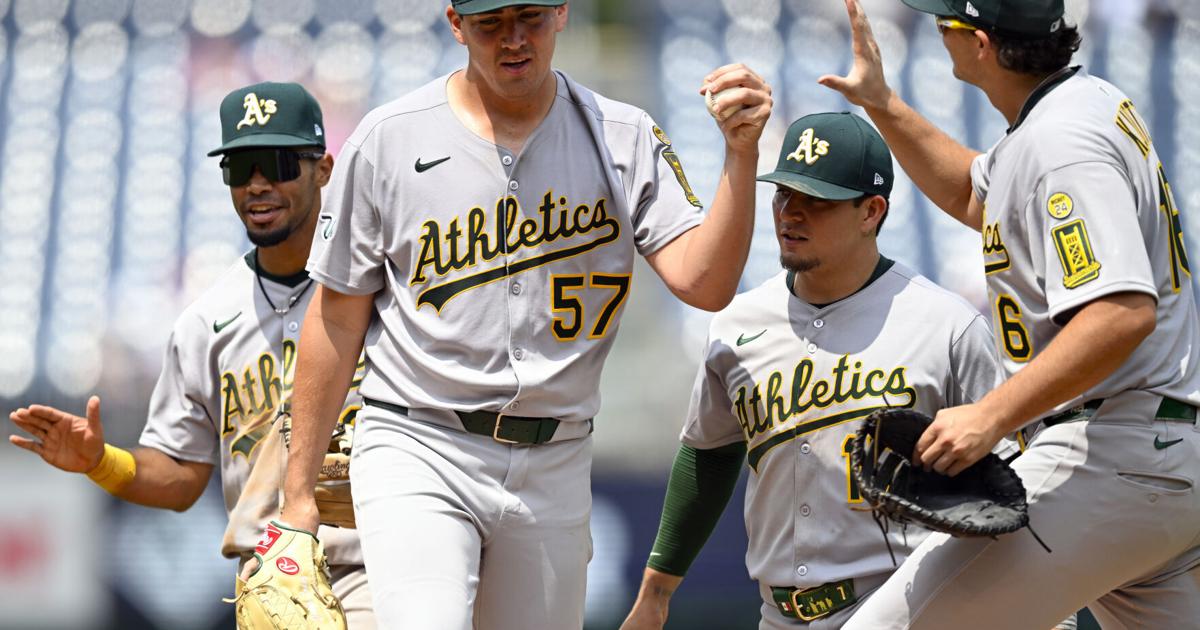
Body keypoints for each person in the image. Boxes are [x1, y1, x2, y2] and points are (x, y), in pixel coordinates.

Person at [275, 1, 772, 628]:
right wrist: (297, 499)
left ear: (562, 12)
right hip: (420, 439)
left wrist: (740, 156)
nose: (513, 39)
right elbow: (337, 318)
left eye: (530, 17)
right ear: (456, 24)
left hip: (555, 454)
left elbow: (705, 283)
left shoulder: (624, 135)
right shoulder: (390, 139)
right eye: (491, 23)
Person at [817, 0, 1200, 627]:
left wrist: (991, 416)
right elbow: (975, 191)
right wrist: (883, 103)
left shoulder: (1062, 143)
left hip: (1113, 454)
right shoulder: (1078, 105)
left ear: (983, 45)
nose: (939, 31)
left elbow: (1122, 312)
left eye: (949, 23)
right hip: (1156, 452)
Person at [7, 82, 376, 628]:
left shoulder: (381, 285)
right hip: (271, 577)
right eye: (239, 167)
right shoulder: (206, 322)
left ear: (323, 169)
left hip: (376, 557)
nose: (256, 185)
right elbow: (181, 477)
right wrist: (100, 462)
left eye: (275, 163)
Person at [618, 112, 1006, 630]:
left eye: (816, 201)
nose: (790, 214)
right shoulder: (737, 326)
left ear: (871, 211)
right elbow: (708, 456)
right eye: (783, 195)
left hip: (904, 605)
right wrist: (657, 591)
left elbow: (1013, 485)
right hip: (778, 614)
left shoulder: (947, 326)